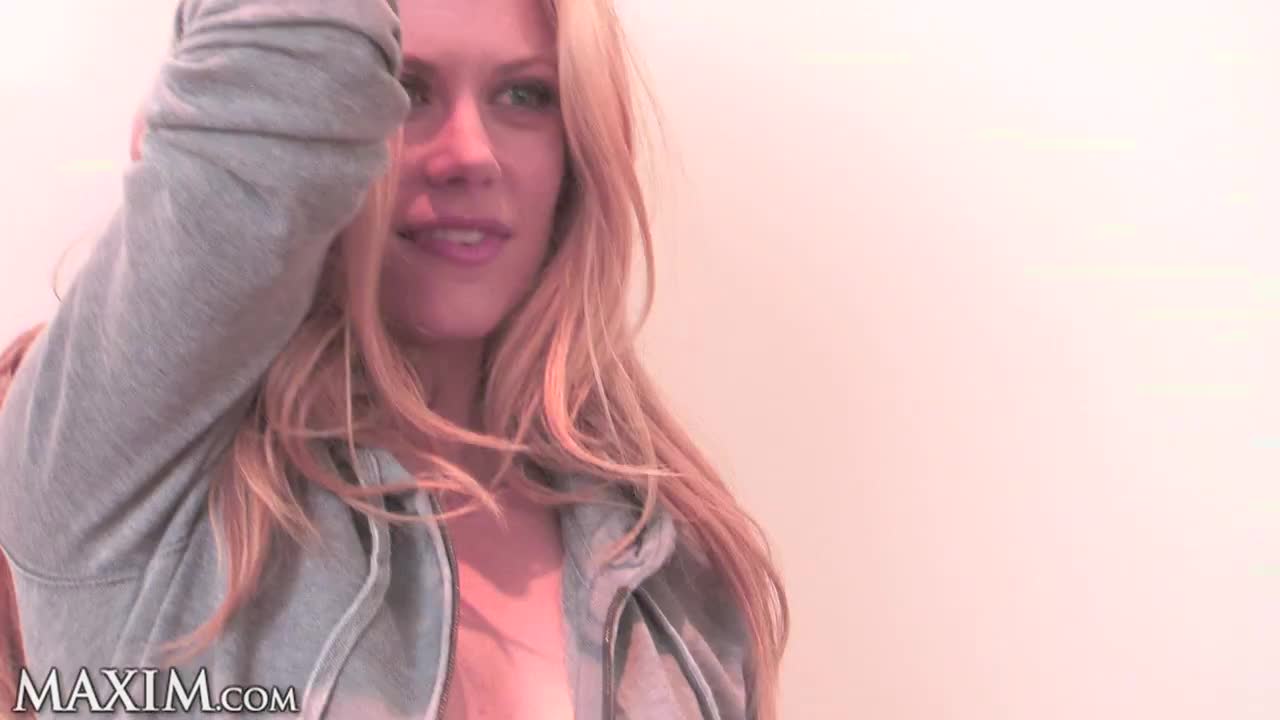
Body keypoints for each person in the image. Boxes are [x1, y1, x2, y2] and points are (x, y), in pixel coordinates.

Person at [0, 0, 789, 717]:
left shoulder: (674, 562)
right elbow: (299, 36)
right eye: (406, 89)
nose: (470, 154)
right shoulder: (132, 472)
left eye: (524, 95)